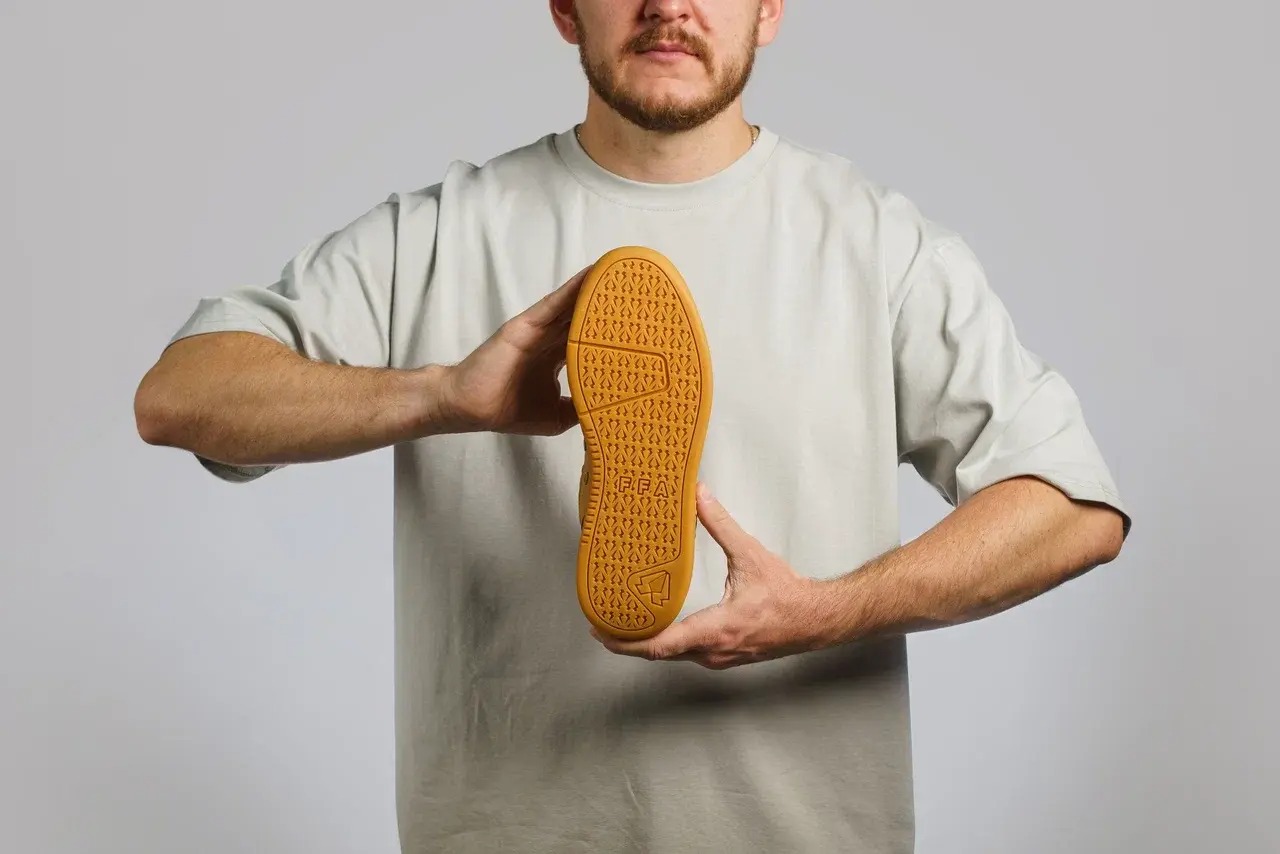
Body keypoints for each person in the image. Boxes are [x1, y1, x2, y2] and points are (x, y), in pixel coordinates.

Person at [134, 1, 1131, 851]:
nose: (667, 3)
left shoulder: (877, 245)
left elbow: (1070, 506)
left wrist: (827, 610)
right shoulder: (439, 235)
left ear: (769, 9)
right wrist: (440, 394)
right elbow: (180, 394)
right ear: (565, 8)